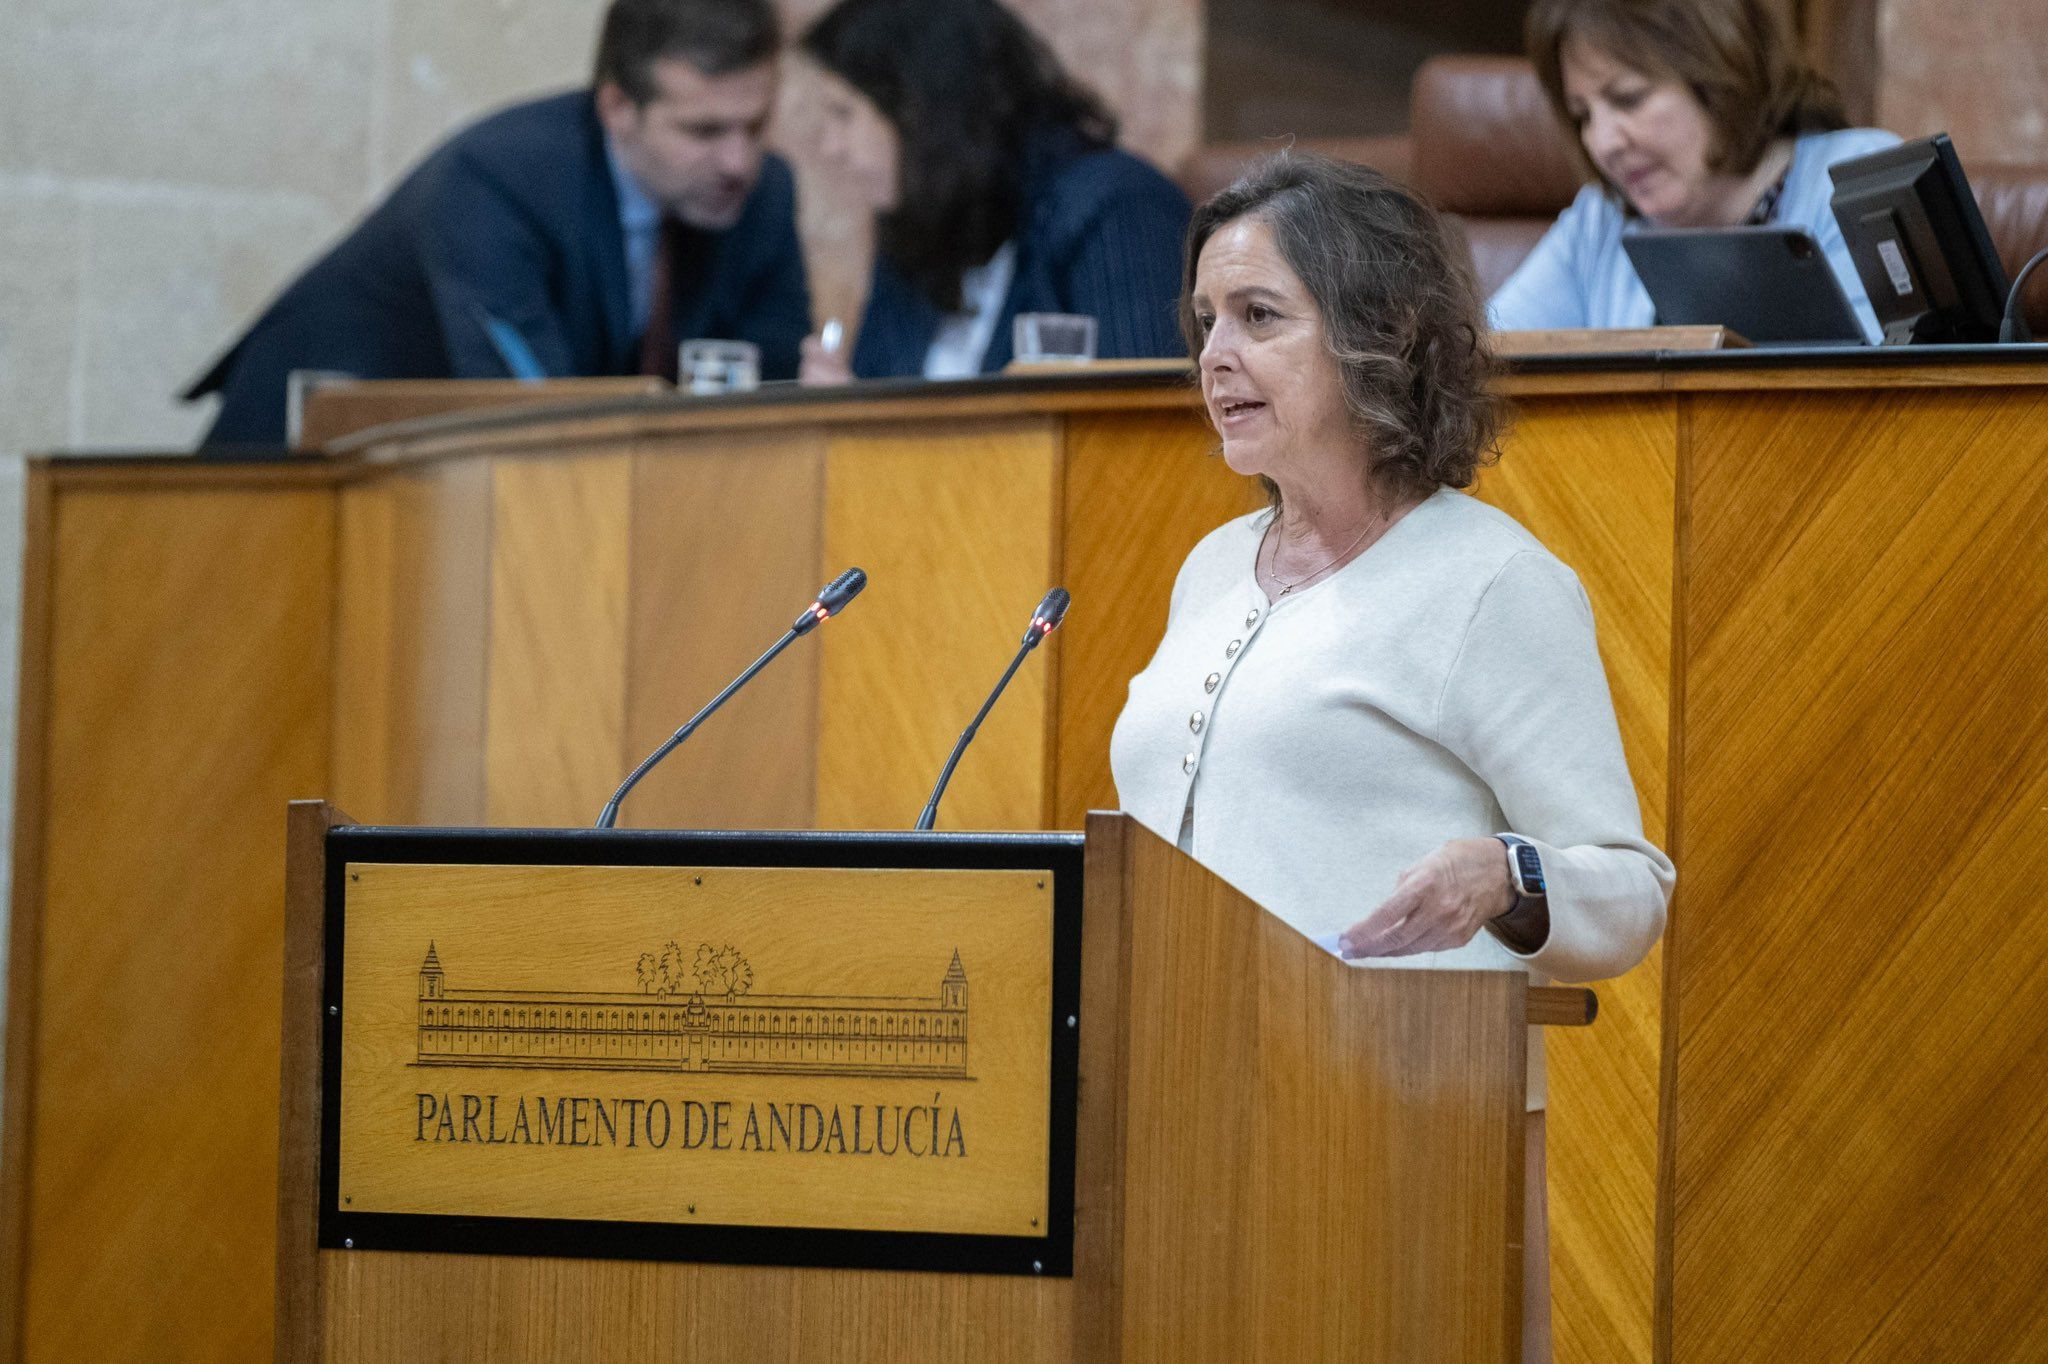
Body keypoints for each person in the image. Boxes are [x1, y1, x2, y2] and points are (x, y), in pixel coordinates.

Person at [1110, 151, 1673, 1361]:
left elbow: (1628, 886)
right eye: (1205, 321)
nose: (1214, 356)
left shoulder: (1492, 580)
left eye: (1259, 318)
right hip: (1171, 1112)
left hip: (1399, 1125)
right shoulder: (1209, 568)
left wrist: (1504, 876)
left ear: (1385, 333)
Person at [185, 0, 810, 446]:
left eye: (755, 127)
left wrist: (817, 401)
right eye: (703, 131)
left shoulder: (766, 193)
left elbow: (773, 383)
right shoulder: (498, 179)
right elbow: (530, 409)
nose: (739, 162)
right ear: (619, 107)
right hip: (304, 456)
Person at [794, 0, 1190, 383]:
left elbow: (1144, 441)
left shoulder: (1116, 207)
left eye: (844, 114)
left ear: (928, 110)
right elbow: (882, 403)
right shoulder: (916, 221)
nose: (830, 147)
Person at [1488, 0, 1899, 342]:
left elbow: (1888, 404)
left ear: (1720, 70)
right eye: (1582, 116)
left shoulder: (1857, 181)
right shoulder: (1600, 219)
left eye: (1628, 99)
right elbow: (1479, 364)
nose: (1602, 143)